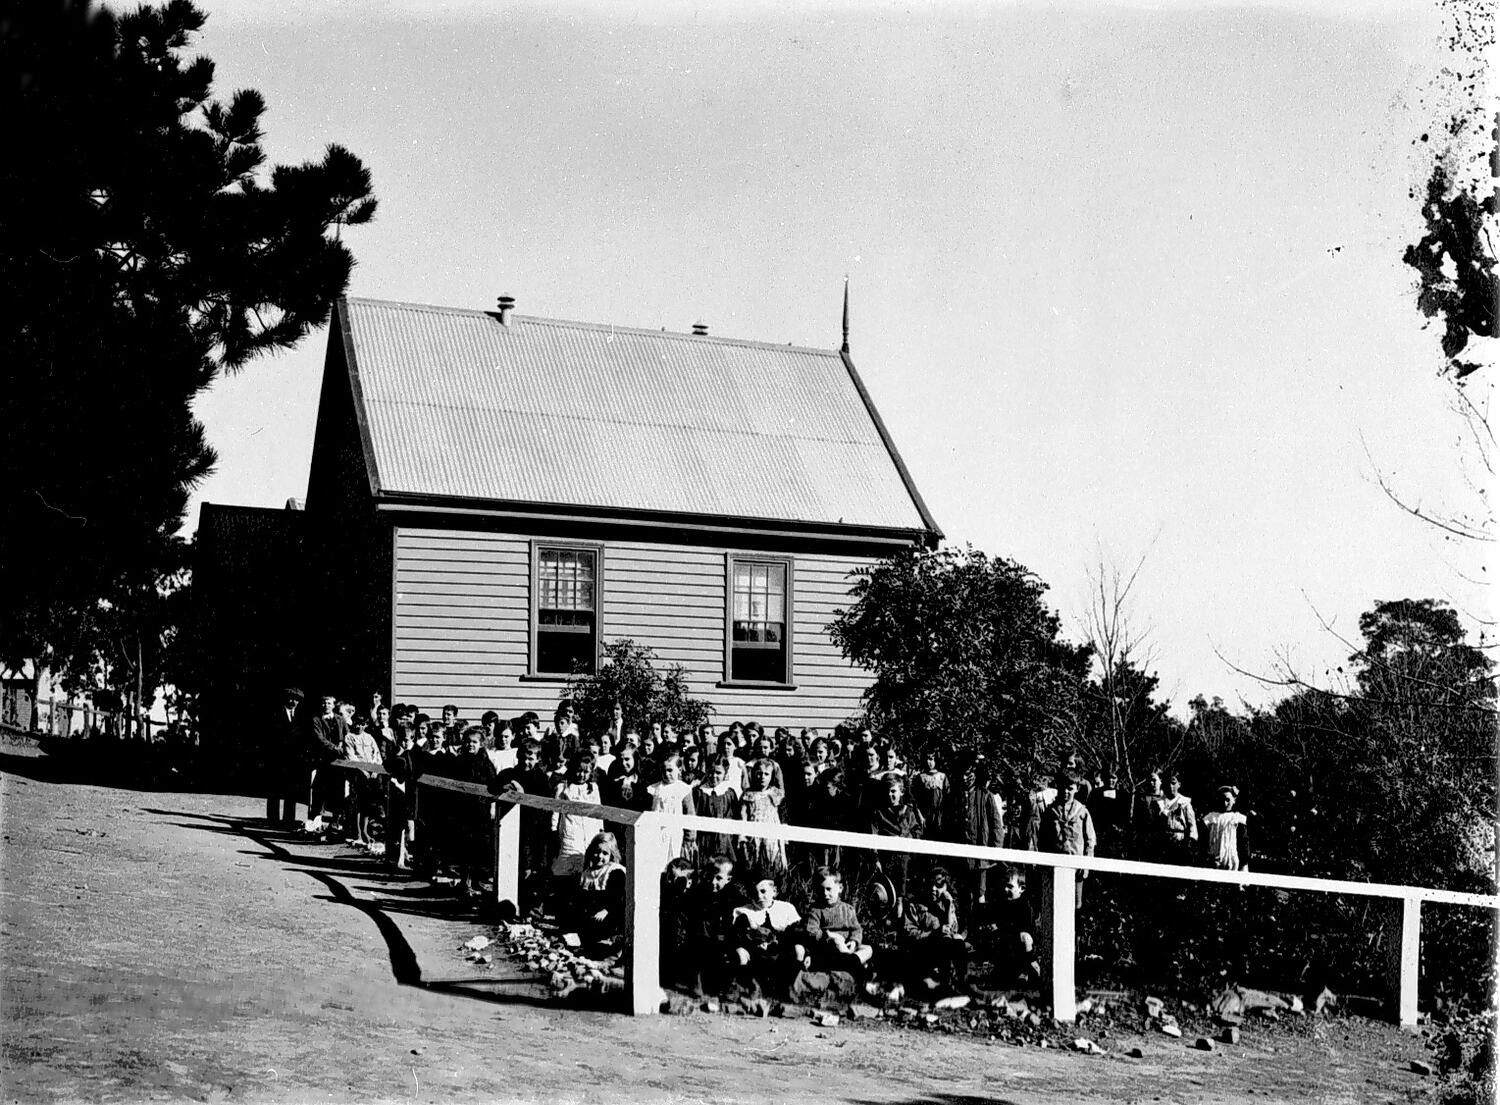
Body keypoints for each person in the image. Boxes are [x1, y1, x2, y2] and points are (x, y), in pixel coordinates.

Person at [944, 756, 1004, 918]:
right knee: (963, 893)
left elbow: (996, 825)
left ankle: (980, 929)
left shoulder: (985, 796)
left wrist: (996, 852)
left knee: (980, 894)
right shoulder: (954, 796)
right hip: (961, 855)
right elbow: (948, 825)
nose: (965, 778)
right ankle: (965, 928)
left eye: (968, 774)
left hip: (981, 856)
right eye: (962, 774)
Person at [730, 872, 802, 994]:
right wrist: (754, 943)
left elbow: (795, 934)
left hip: (780, 951)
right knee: (740, 953)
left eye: (763, 891)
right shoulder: (744, 911)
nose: (759, 896)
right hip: (755, 952)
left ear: (774, 891)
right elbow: (739, 936)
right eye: (755, 892)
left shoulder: (786, 908)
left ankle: (791, 989)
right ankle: (748, 988)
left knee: (799, 949)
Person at [901, 866, 969, 991]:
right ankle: (946, 984)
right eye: (931, 884)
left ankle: (962, 983)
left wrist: (949, 906)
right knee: (946, 941)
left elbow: (953, 930)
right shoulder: (914, 904)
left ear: (945, 887)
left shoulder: (946, 902)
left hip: (943, 950)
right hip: (922, 951)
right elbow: (910, 934)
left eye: (938, 885)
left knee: (958, 940)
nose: (933, 889)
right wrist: (934, 933)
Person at [800, 867, 873, 977]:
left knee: (868, 949)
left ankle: (851, 962)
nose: (825, 893)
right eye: (821, 890)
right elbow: (812, 931)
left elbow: (856, 929)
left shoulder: (848, 909)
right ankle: (856, 968)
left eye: (829, 889)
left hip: (847, 946)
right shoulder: (816, 910)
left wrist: (853, 942)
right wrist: (829, 937)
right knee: (837, 945)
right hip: (828, 947)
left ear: (840, 888)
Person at [1039, 769, 1096, 907]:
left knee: (1075, 904)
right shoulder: (1050, 811)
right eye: (1063, 787)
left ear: (1076, 789)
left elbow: (1090, 839)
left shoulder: (1082, 811)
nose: (1066, 792)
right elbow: (1042, 839)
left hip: (1076, 866)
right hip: (1055, 865)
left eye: (1070, 789)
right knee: (1055, 903)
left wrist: (1086, 864)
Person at [868, 774, 924, 905]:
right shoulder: (879, 813)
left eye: (893, 791)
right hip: (886, 859)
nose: (890, 794)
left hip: (906, 860)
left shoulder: (908, 812)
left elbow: (917, 831)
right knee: (887, 894)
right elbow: (873, 837)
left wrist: (905, 839)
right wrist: (876, 859)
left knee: (904, 895)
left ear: (901, 792)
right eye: (887, 791)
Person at [570, 832, 627, 959]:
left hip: (609, 914)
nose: (599, 856)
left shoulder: (614, 871)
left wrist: (606, 910)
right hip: (591, 915)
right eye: (597, 851)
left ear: (611, 854)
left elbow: (618, 896)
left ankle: (612, 945)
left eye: (605, 853)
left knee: (605, 932)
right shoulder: (587, 873)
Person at [551, 752, 603, 887]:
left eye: (586, 772)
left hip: (590, 833)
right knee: (567, 867)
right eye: (579, 771)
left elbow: (598, 812)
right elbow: (556, 812)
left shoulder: (593, 789)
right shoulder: (564, 788)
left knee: (587, 867)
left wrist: (600, 830)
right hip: (570, 832)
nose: (582, 775)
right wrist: (553, 829)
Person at [992, 868, 1039, 985]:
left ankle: (1028, 967)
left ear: (1021, 889)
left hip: (1019, 942)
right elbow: (999, 922)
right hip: (1006, 940)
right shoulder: (1003, 903)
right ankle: (1004, 970)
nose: (1005, 889)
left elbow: (1026, 928)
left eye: (1010, 886)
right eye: (1005, 886)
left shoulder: (1025, 906)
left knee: (1026, 938)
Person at [738, 758, 786, 872]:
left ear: (771, 776)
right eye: (759, 773)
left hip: (771, 833)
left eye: (766, 774)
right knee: (753, 862)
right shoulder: (748, 795)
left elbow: (779, 818)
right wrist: (742, 835)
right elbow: (743, 815)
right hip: (753, 833)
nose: (762, 777)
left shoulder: (775, 794)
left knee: (772, 862)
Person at [648, 750, 696, 862]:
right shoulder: (654, 789)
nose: (666, 774)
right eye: (663, 770)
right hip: (656, 833)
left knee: (673, 860)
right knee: (656, 862)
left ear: (679, 770)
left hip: (675, 834)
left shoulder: (683, 789)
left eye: (670, 770)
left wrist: (689, 838)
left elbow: (690, 815)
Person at [266, 687, 304, 826]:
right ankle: (272, 820)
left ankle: (289, 820)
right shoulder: (275, 714)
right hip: (277, 757)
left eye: (296, 699)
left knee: (291, 789)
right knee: (274, 789)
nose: (292, 701)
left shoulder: (301, 717)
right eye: (290, 698)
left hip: (293, 759)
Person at [693, 755, 741, 861]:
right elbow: (693, 817)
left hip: (725, 839)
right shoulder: (699, 792)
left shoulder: (729, 793)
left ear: (725, 774)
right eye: (710, 772)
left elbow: (736, 817)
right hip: (704, 839)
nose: (713, 776)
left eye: (718, 773)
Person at [1202, 785, 1251, 870]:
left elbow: (1243, 844)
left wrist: (1244, 865)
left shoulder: (1237, 818)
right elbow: (1203, 842)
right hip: (1213, 862)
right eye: (1222, 800)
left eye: (1228, 800)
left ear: (1234, 800)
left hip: (1231, 861)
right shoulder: (1210, 818)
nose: (1225, 803)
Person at [1158, 771, 1198, 864]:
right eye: (1168, 783)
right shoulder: (1160, 802)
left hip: (1180, 842)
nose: (1170, 786)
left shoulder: (1184, 803)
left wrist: (1190, 842)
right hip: (1163, 842)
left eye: (1173, 783)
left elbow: (1192, 825)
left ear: (1179, 784)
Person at [909, 749, 948, 840]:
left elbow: (947, 796)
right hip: (925, 814)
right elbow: (916, 799)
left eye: (931, 759)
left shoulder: (942, 777)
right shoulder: (921, 777)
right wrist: (920, 815)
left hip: (940, 815)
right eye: (926, 759)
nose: (928, 761)